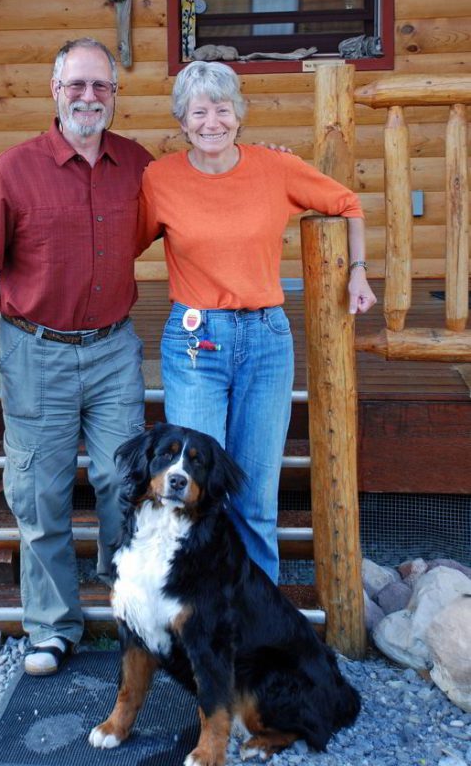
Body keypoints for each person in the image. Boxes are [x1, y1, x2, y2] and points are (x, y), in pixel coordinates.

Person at [136, 60, 376, 585]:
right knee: (190, 488)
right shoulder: (160, 178)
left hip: (266, 340)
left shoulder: (275, 168)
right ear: (182, 120)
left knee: (256, 496)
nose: (212, 121)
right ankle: (197, 611)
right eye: (199, 111)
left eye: (223, 109)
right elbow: (124, 241)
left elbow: (347, 203)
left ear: (239, 115)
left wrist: (358, 272)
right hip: (197, 343)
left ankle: (256, 623)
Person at [0, 38, 152, 676]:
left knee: (122, 479)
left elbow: (189, 212)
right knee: (38, 494)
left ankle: (125, 599)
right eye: (78, 85)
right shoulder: (13, 170)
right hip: (33, 352)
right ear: (55, 91)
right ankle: (53, 627)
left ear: (114, 97)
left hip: (112, 350)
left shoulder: (138, 166)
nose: (89, 97)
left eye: (101, 87)